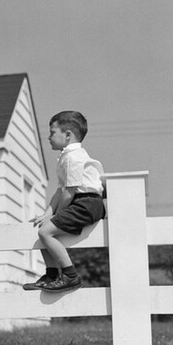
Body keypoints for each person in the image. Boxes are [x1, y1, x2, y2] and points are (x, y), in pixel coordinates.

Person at [24, 110, 105, 293]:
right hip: (80, 201)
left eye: (52, 132)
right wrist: (47, 214)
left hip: (87, 203)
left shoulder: (73, 158)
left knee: (45, 232)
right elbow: (60, 191)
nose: (48, 137)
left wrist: (57, 215)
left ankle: (70, 276)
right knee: (43, 228)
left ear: (67, 135)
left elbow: (69, 193)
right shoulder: (66, 157)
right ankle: (52, 274)